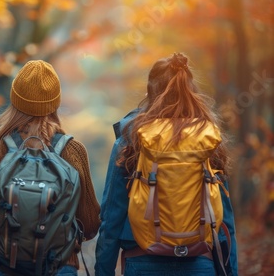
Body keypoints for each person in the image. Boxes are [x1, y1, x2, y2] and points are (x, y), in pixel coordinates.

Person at [94, 53, 238, 276]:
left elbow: (112, 216)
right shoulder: (208, 137)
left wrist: (103, 270)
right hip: (199, 262)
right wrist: (230, 271)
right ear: (190, 89)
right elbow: (225, 221)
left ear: (151, 91)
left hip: (142, 261)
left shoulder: (132, 137)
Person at [0, 60, 101, 276]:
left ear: (15, 99)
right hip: (59, 266)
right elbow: (90, 223)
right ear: (54, 103)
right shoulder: (72, 150)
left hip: (7, 266)